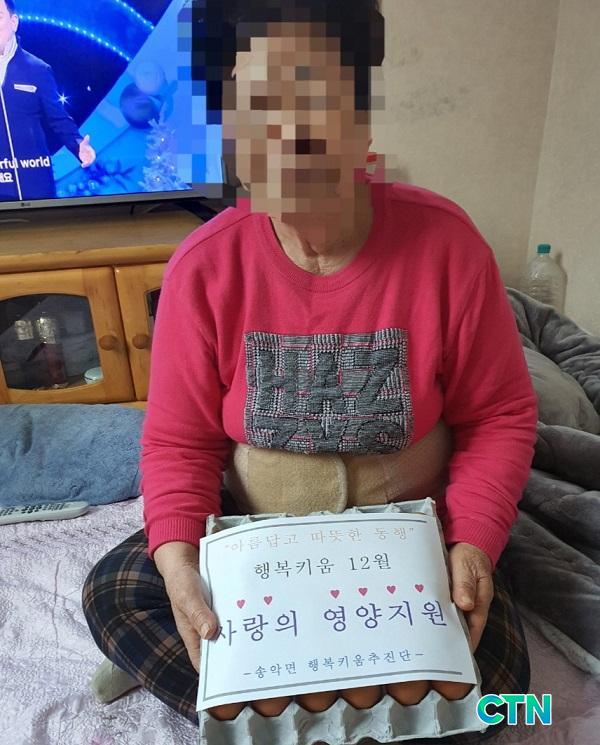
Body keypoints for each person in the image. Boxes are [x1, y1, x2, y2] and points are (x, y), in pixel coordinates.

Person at [82, 1, 537, 741]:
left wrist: (473, 543)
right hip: (256, 539)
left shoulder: (449, 248)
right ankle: (319, 705)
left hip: (409, 546)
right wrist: (180, 565)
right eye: (258, 103)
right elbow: (179, 442)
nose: (288, 133)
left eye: (315, 97)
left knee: (509, 685)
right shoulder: (203, 268)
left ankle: (285, 699)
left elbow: (500, 417)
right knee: (115, 591)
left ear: (361, 119)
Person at [0, 0, 96, 202]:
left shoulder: (37, 69)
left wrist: (78, 145)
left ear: (13, 22)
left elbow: (58, 118)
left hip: (33, 183)